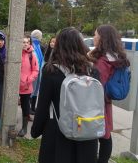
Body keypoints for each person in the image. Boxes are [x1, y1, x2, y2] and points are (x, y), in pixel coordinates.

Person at [31, 27, 98, 163]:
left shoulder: (51, 70)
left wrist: (36, 130)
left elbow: (43, 105)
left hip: (58, 129)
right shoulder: (92, 69)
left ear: (59, 45)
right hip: (86, 128)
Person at [89, 25, 130, 163]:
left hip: (97, 105)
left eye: (95, 35)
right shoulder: (114, 57)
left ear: (102, 38)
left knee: (99, 136)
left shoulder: (102, 61)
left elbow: (97, 86)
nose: (94, 37)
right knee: (106, 135)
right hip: (106, 103)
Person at [18, 35, 38, 137]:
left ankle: (24, 128)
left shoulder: (32, 55)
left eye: (27, 42)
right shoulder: (16, 54)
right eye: (23, 42)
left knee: (25, 107)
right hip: (15, 86)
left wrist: (28, 80)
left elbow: (35, 70)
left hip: (26, 86)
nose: (25, 44)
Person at [30, 29, 45, 115]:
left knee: (35, 89)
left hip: (37, 71)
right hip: (34, 71)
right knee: (33, 89)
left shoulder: (37, 45)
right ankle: (30, 108)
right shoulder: (34, 45)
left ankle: (32, 107)